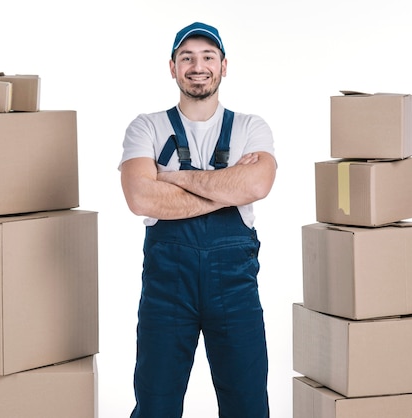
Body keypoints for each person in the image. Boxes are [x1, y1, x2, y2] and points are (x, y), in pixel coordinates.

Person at [119, 21, 277, 418]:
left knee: (248, 404)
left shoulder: (250, 126)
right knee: (156, 404)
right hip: (167, 291)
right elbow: (140, 197)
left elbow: (258, 185)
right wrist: (226, 188)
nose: (197, 65)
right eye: (186, 57)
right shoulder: (146, 126)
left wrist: (173, 180)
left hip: (235, 290)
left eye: (208, 57)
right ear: (172, 67)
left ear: (224, 66)